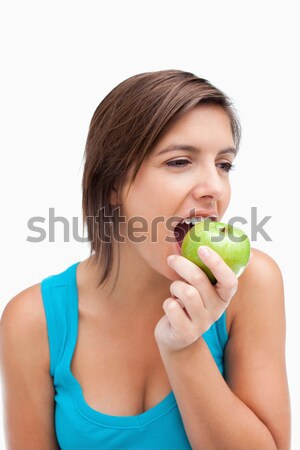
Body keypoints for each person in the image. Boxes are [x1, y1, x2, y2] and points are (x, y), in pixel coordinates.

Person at [0, 70, 291, 449]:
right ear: (112, 187)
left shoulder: (249, 283)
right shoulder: (32, 321)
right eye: (179, 162)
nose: (215, 189)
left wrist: (184, 347)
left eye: (223, 165)